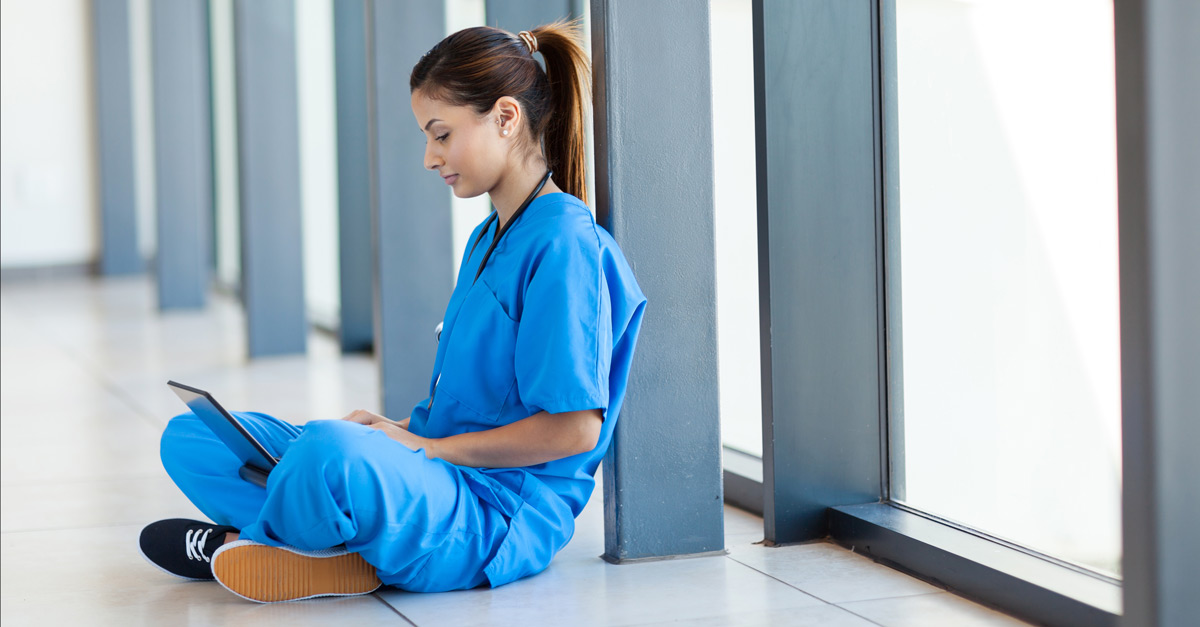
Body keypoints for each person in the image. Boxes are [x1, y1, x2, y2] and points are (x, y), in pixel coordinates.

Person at [137, 20, 646, 603]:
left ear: (506, 118)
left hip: (491, 512)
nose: (431, 157)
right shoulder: (488, 238)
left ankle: (255, 539)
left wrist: (425, 450)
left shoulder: (566, 244)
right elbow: (470, 410)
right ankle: (319, 543)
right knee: (192, 437)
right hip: (436, 472)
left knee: (329, 453)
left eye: (441, 134)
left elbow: (574, 427)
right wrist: (400, 432)